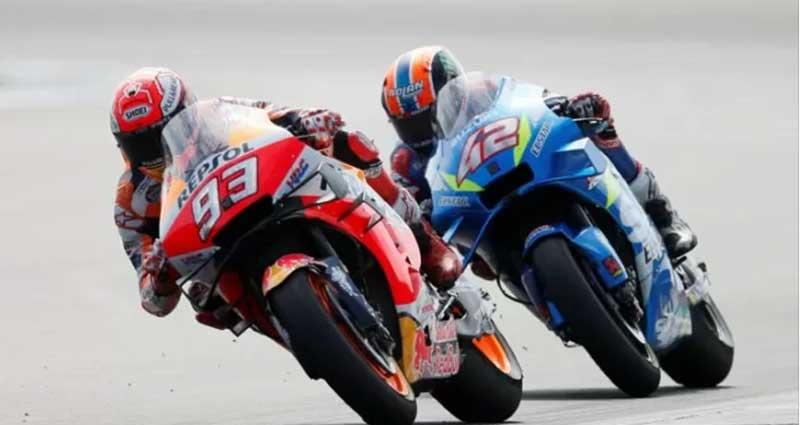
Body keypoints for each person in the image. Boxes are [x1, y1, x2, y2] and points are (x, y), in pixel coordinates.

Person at [111, 67, 460, 319]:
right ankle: (305, 328)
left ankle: (422, 239)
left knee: (352, 144)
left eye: (160, 135)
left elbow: (271, 115)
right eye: (141, 144)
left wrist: (307, 119)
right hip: (218, 252)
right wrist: (159, 276)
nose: (156, 151)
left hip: (266, 195)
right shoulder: (132, 202)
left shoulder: (217, 115)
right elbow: (153, 301)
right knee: (208, 304)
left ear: (187, 111)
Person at [381, 46, 697, 279]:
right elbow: (409, 211)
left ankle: (662, 214)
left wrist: (569, 106)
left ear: (454, 90)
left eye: (429, 116)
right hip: (481, 218)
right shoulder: (405, 161)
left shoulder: (483, 92)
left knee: (597, 127)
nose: (423, 132)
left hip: (525, 168)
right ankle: (551, 301)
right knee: (476, 267)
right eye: (410, 125)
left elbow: (530, 101)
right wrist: (422, 216)